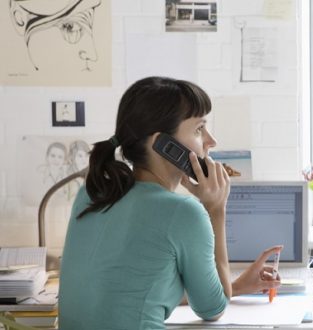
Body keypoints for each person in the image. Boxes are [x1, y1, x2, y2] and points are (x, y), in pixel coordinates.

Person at [59, 76, 281, 329]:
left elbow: (131, 293)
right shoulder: (184, 212)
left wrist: (236, 286)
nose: (211, 141)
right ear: (163, 145)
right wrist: (216, 209)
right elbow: (213, 308)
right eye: (199, 129)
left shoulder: (92, 194)